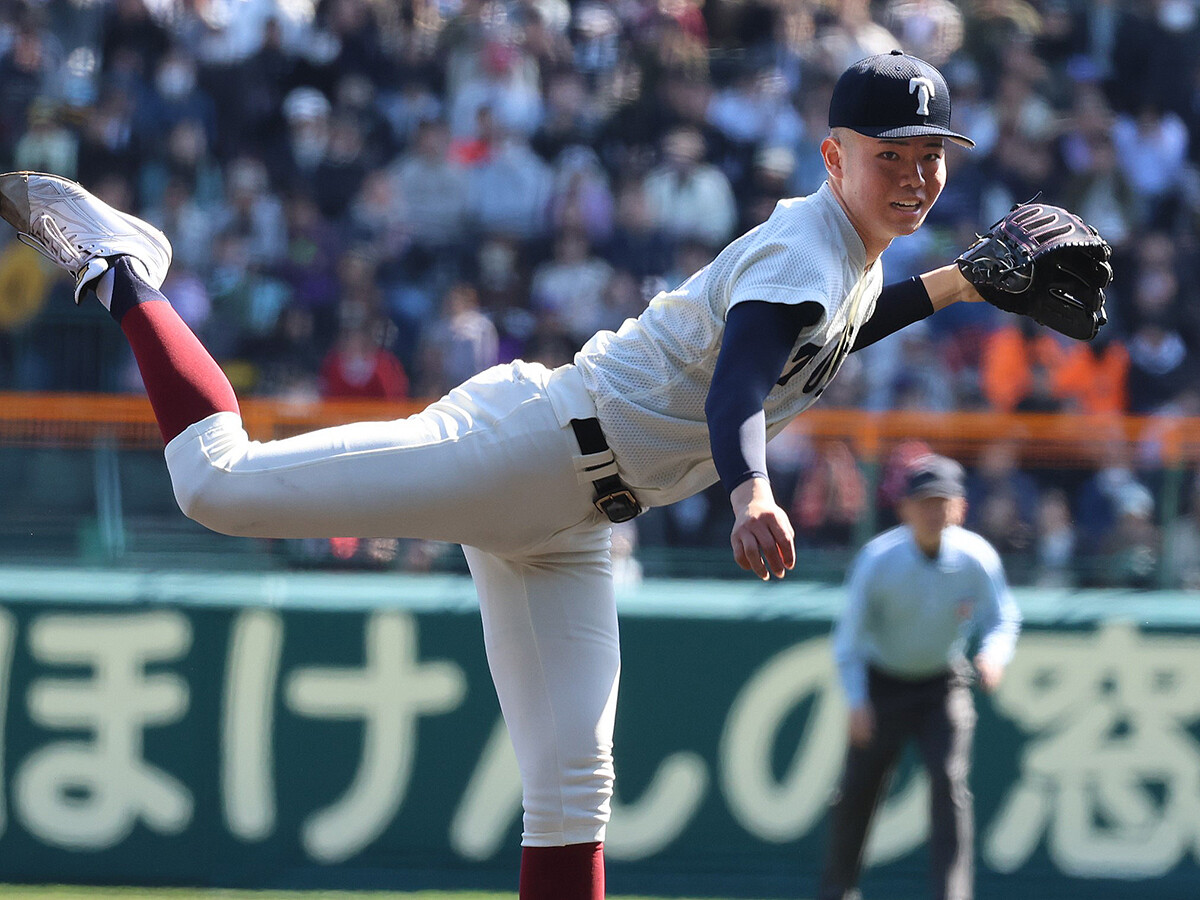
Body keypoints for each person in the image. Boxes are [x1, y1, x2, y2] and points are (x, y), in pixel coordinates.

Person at [2, 50, 996, 900]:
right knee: (213, 484)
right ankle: (122, 269)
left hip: (575, 520)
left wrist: (964, 280)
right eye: (888, 156)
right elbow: (738, 387)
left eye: (929, 158)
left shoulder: (847, 253)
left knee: (573, 779)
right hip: (530, 447)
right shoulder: (807, 251)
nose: (914, 177)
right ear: (835, 157)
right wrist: (752, 493)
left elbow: (846, 326)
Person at [821, 454, 1022, 900]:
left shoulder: (976, 558)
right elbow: (850, 639)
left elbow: (1002, 617)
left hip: (942, 682)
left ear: (960, 508)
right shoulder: (879, 560)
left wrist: (993, 655)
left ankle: (953, 894)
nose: (934, 512)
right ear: (905, 508)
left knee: (950, 785)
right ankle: (837, 891)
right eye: (925, 502)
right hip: (883, 682)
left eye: (943, 502)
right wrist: (857, 701)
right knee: (857, 793)